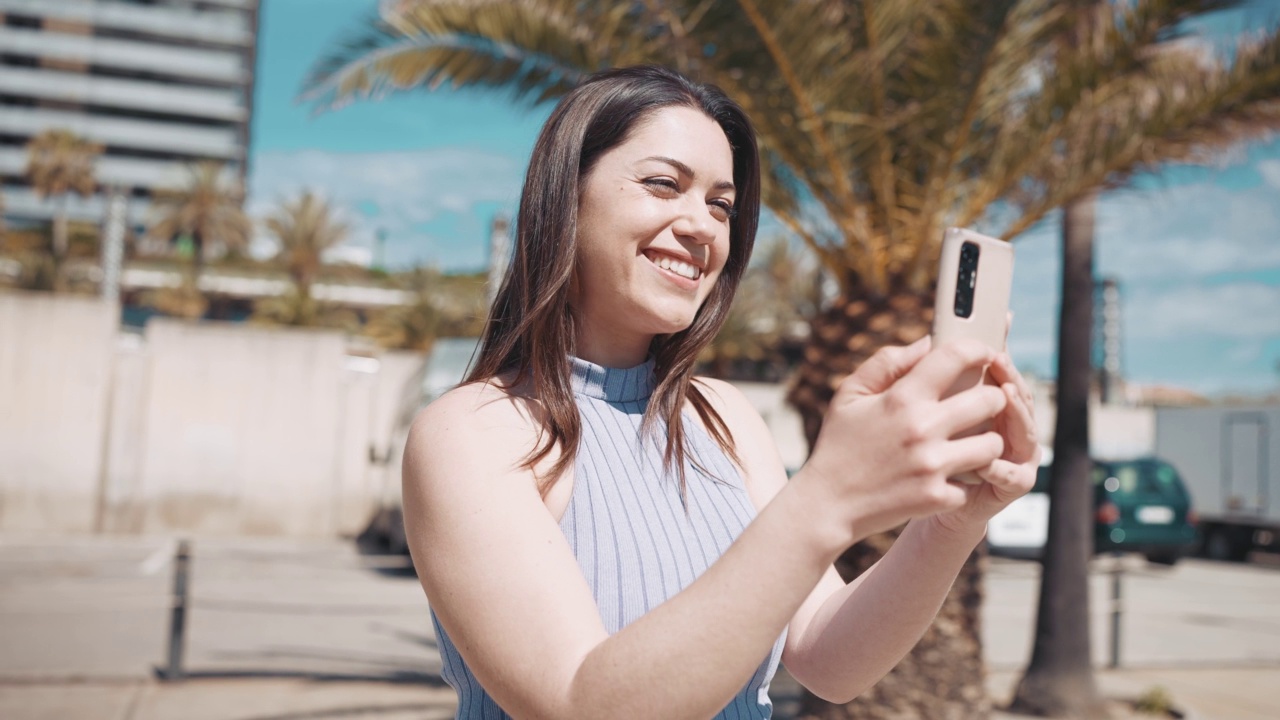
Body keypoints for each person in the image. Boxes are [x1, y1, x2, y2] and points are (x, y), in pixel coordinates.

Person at [401, 65, 1039, 720]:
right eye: (662, 185)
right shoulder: (470, 432)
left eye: (721, 204)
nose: (702, 226)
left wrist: (953, 525)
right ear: (567, 194)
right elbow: (580, 703)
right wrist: (828, 496)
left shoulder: (724, 417)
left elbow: (829, 659)